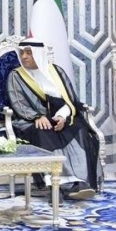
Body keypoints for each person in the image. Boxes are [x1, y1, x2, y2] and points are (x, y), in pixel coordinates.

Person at [6, 39, 100, 200]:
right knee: (43, 132)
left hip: (60, 117)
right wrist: (37, 116)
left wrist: (62, 117)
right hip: (29, 120)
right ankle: (56, 185)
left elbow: (70, 99)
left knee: (80, 130)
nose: (24, 57)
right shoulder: (16, 76)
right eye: (22, 53)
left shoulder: (57, 72)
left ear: (39, 54)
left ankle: (80, 182)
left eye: (29, 53)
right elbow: (18, 103)